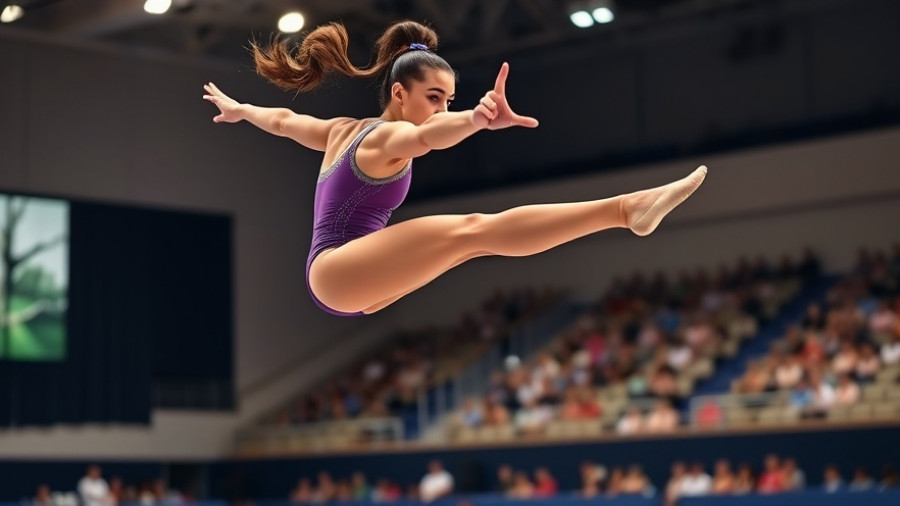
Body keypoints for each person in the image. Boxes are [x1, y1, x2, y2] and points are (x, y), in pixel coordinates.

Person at [204, 20, 707, 316]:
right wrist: (477, 118)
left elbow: (287, 120)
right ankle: (624, 209)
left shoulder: (342, 129)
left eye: (450, 99)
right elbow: (426, 136)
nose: (442, 108)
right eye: (434, 97)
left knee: (474, 244)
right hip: (339, 270)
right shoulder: (387, 137)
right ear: (399, 94)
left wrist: (244, 111)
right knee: (473, 231)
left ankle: (624, 212)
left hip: (352, 284)